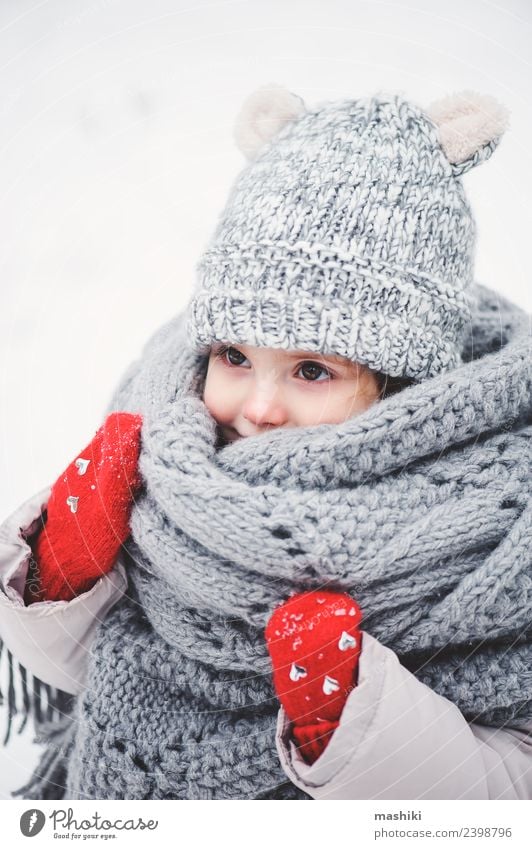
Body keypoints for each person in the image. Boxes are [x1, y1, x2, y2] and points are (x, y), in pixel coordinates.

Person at [0, 85, 530, 800]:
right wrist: (61, 580)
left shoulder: (504, 520)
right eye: (235, 356)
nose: (256, 407)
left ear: (402, 383)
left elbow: (510, 790)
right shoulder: (160, 449)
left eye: (312, 369)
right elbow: (106, 674)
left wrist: (354, 720)